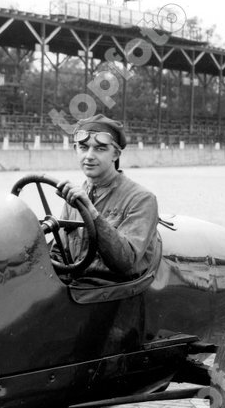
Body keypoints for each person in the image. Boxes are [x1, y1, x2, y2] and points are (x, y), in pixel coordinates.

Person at [55, 115, 159, 284]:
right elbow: (59, 253)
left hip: (113, 291)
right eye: (83, 147)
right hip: (77, 289)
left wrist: (91, 212)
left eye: (100, 149)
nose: (89, 156)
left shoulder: (141, 199)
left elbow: (125, 261)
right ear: (76, 149)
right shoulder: (76, 196)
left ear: (116, 154)